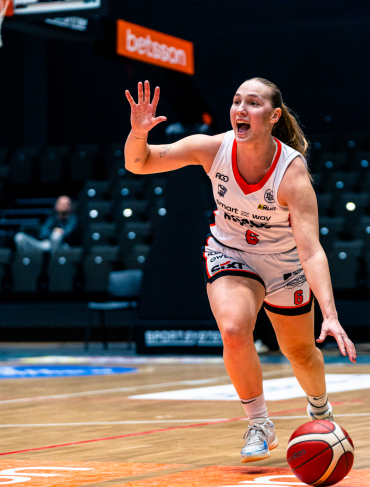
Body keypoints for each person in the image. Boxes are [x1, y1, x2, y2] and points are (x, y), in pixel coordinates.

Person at [124, 79, 357, 463]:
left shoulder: (291, 172)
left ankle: (320, 411)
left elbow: (311, 250)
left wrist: (330, 315)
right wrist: (138, 133)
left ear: (274, 115)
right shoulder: (212, 148)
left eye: (252, 102)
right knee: (233, 329)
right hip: (231, 253)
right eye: (236, 101)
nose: (240, 109)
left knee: (300, 353)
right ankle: (259, 423)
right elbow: (138, 162)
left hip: (284, 263)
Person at [14, 196, 80, 253]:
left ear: (71, 206)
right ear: (56, 205)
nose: (64, 206)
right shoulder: (52, 217)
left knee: (56, 236)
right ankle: (28, 261)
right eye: (61, 203)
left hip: (64, 247)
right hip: (46, 244)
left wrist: (57, 234)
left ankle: (54, 261)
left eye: (66, 204)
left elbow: (68, 235)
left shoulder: (73, 219)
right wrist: (53, 232)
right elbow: (43, 233)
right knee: (20, 237)